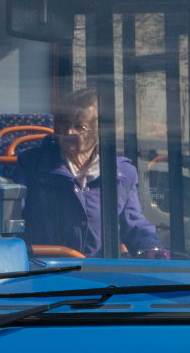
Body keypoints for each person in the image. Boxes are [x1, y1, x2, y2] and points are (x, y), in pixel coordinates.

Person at [13, 88, 166, 259]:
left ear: (99, 132)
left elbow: (133, 224)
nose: (68, 132)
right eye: (64, 123)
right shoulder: (32, 164)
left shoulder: (123, 174)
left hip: (98, 273)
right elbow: (12, 219)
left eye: (79, 126)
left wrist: (151, 249)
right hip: (45, 270)